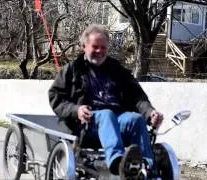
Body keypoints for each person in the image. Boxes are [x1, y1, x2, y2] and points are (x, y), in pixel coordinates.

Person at [48, 24, 163, 178]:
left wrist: (150, 112)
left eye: (103, 48)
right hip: (87, 125)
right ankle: (117, 162)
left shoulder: (117, 70)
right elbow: (56, 96)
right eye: (95, 47)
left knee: (135, 119)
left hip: (117, 121)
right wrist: (77, 110)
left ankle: (146, 167)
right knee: (106, 114)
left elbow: (137, 95)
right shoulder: (72, 70)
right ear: (84, 46)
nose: (99, 51)